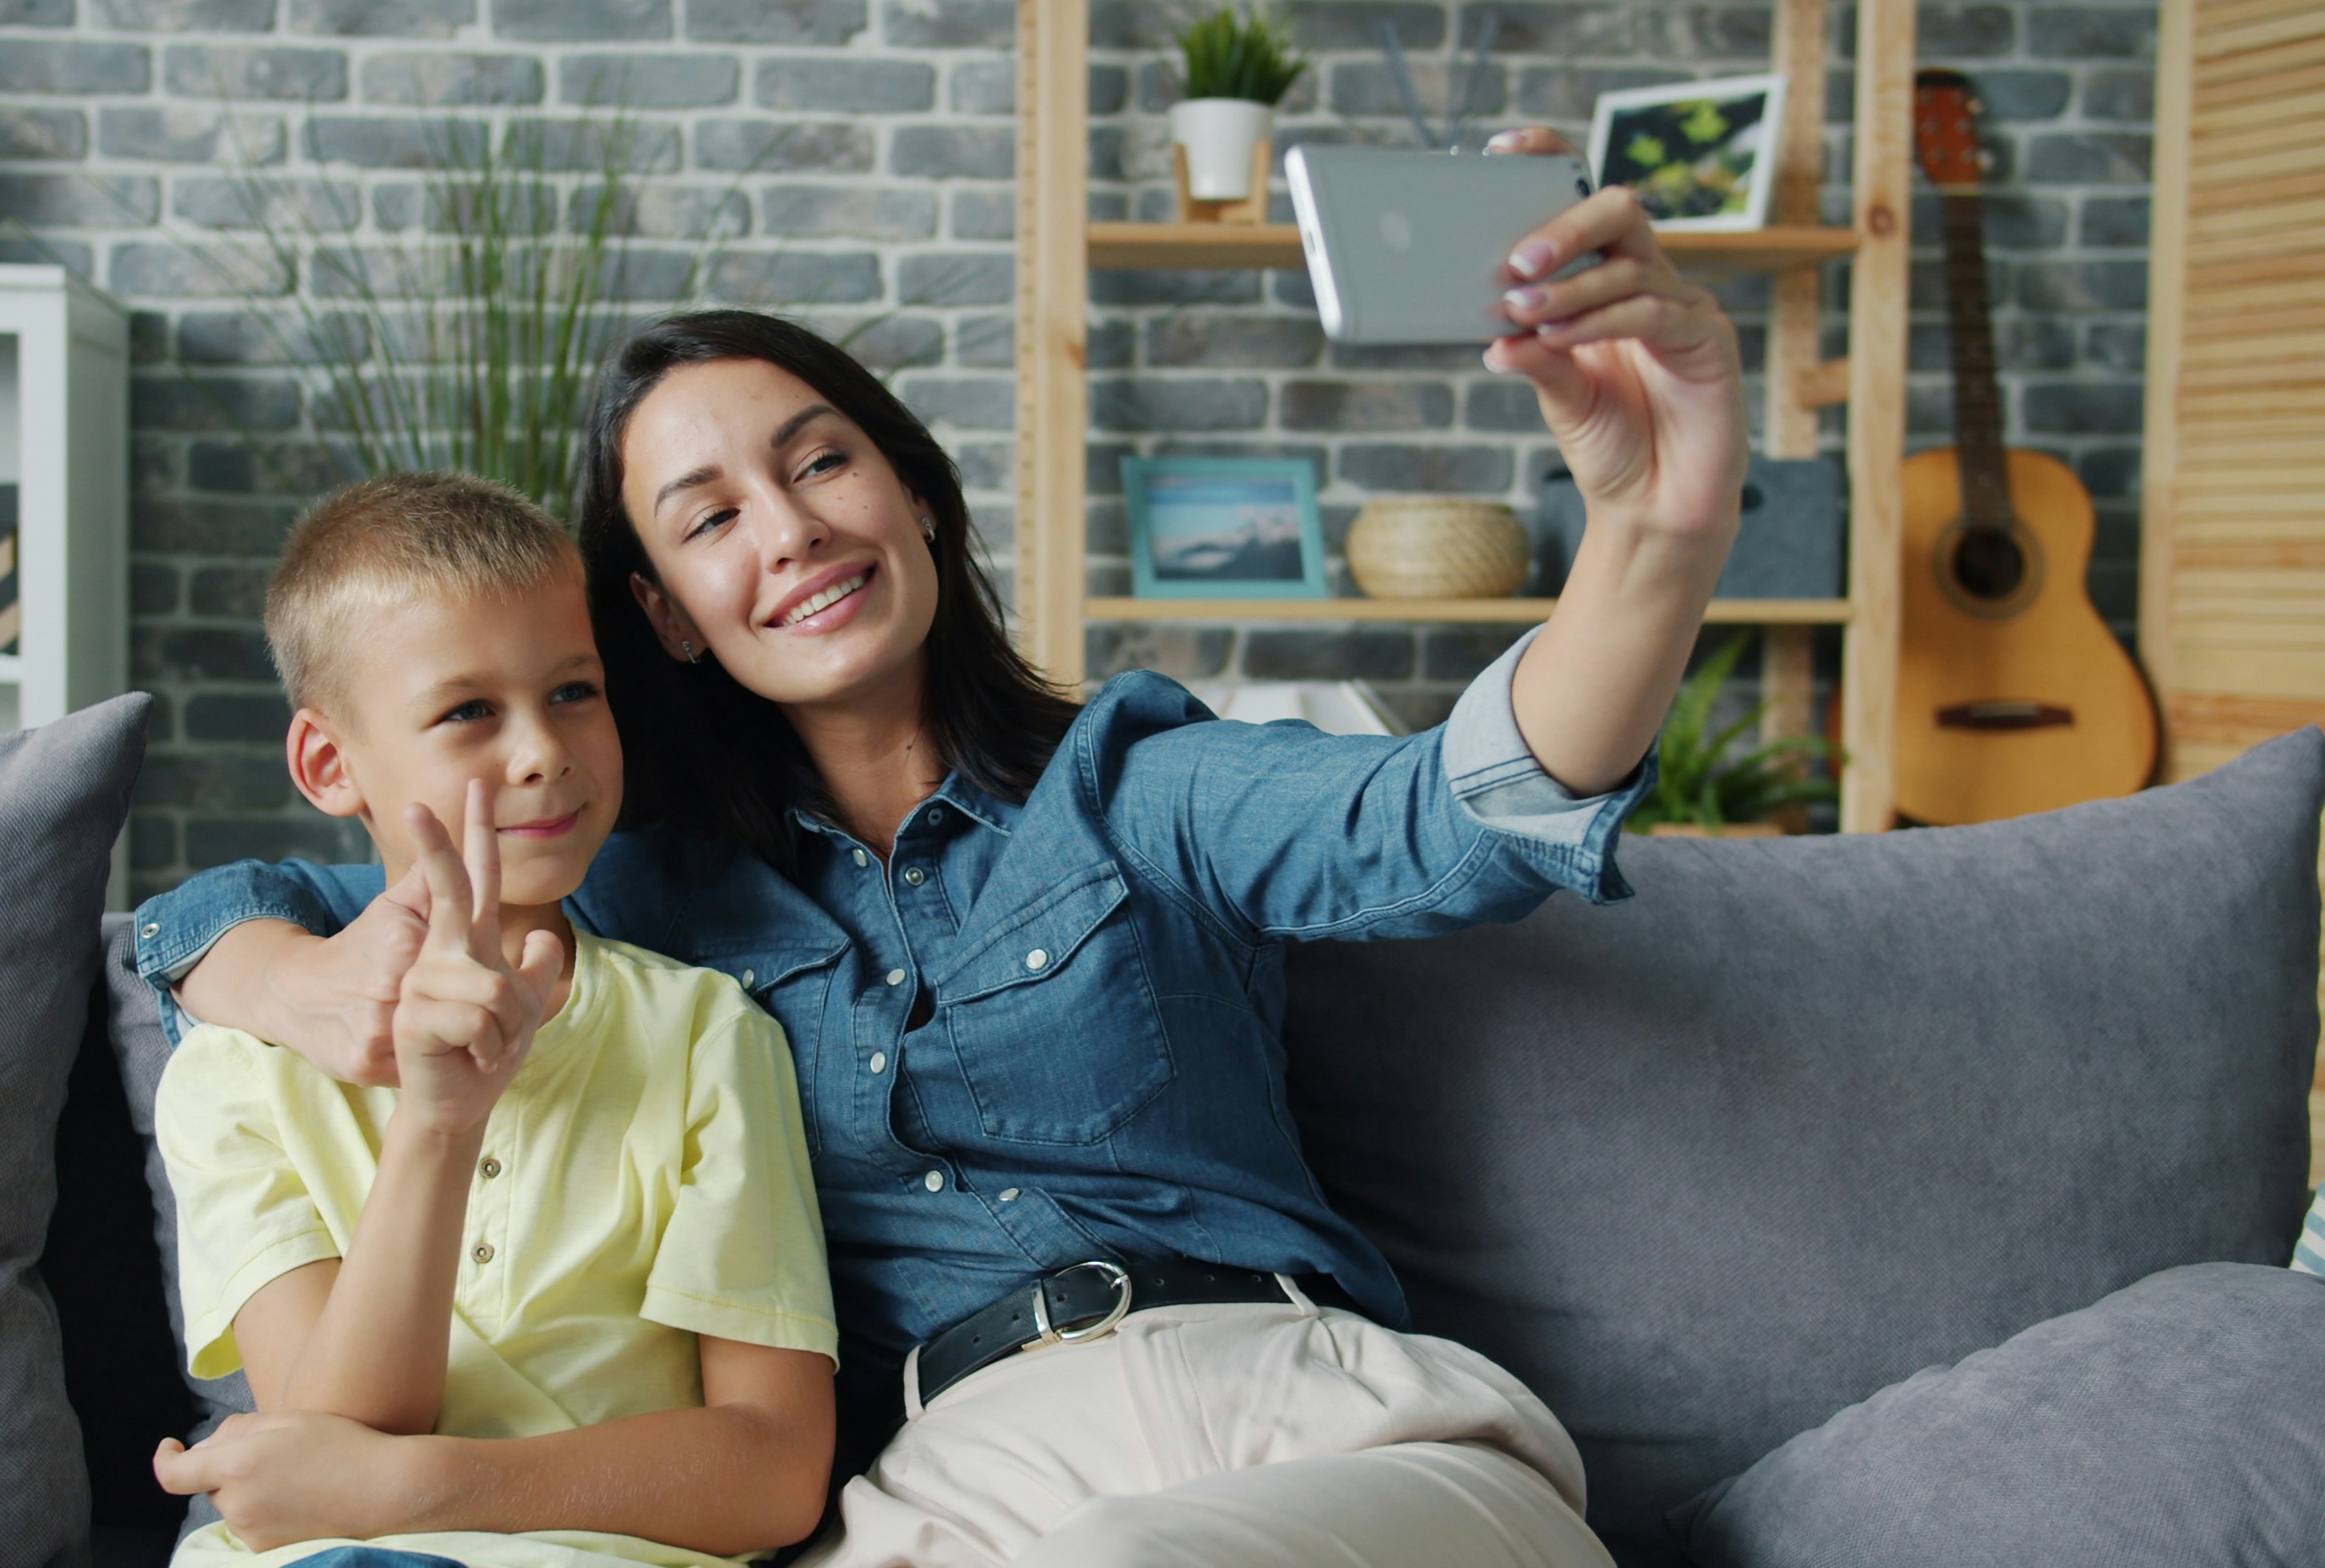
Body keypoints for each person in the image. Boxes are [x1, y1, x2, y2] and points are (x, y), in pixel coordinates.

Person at [137, 131, 1746, 1567]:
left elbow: (1455, 815)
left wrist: (1654, 525)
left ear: (916, 492)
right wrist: (284, 980)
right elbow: (247, 906)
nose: (789, 531)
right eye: (706, 521)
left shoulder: (1137, 787)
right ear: (661, 622)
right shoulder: (640, 891)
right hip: (957, 1480)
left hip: (1310, 1414)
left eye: (821, 459)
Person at [145, 474, 839, 1567]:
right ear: (332, 764)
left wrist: (431, 1493)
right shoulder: (235, 1074)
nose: (541, 752)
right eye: (469, 711)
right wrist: (438, 1123)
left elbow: (774, 1470)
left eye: (573, 692)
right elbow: (327, 1454)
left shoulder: (705, 1034)